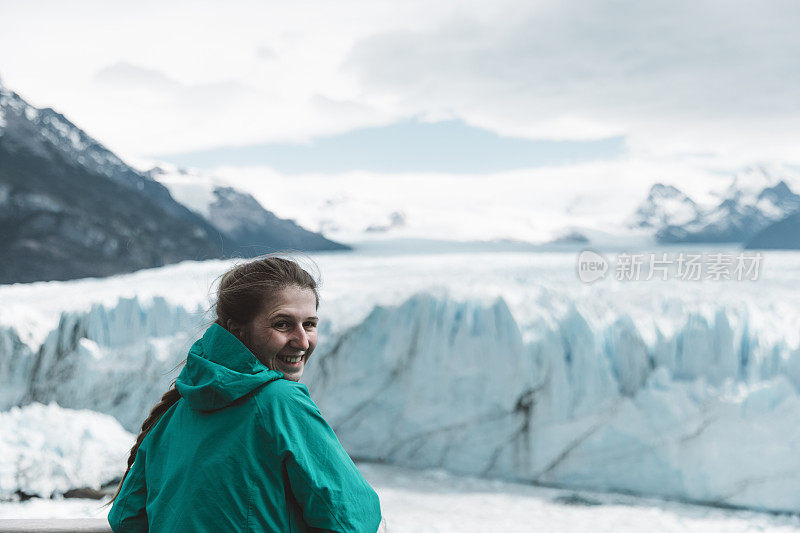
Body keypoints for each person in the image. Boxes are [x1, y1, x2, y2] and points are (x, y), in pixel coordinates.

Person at [104, 255, 383, 532]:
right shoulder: (280, 402)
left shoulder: (173, 413)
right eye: (282, 324)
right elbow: (351, 519)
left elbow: (125, 518)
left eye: (309, 324)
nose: (302, 341)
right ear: (238, 331)